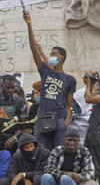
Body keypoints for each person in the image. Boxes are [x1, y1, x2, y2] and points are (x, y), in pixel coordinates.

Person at [23, 9, 76, 150]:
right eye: (50, 53)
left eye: (54, 53)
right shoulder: (45, 73)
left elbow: (69, 105)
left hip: (59, 119)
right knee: (41, 152)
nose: (51, 55)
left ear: (61, 57)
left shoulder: (70, 80)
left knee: (58, 154)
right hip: (43, 118)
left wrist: (66, 121)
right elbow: (34, 49)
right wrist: (29, 24)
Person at [0, 75, 28, 151]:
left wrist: (14, 138)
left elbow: (24, 125)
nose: (10, 90)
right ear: (1, 86)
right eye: (7, 87)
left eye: (12, 88)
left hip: (11, 142)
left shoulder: (20, 103)